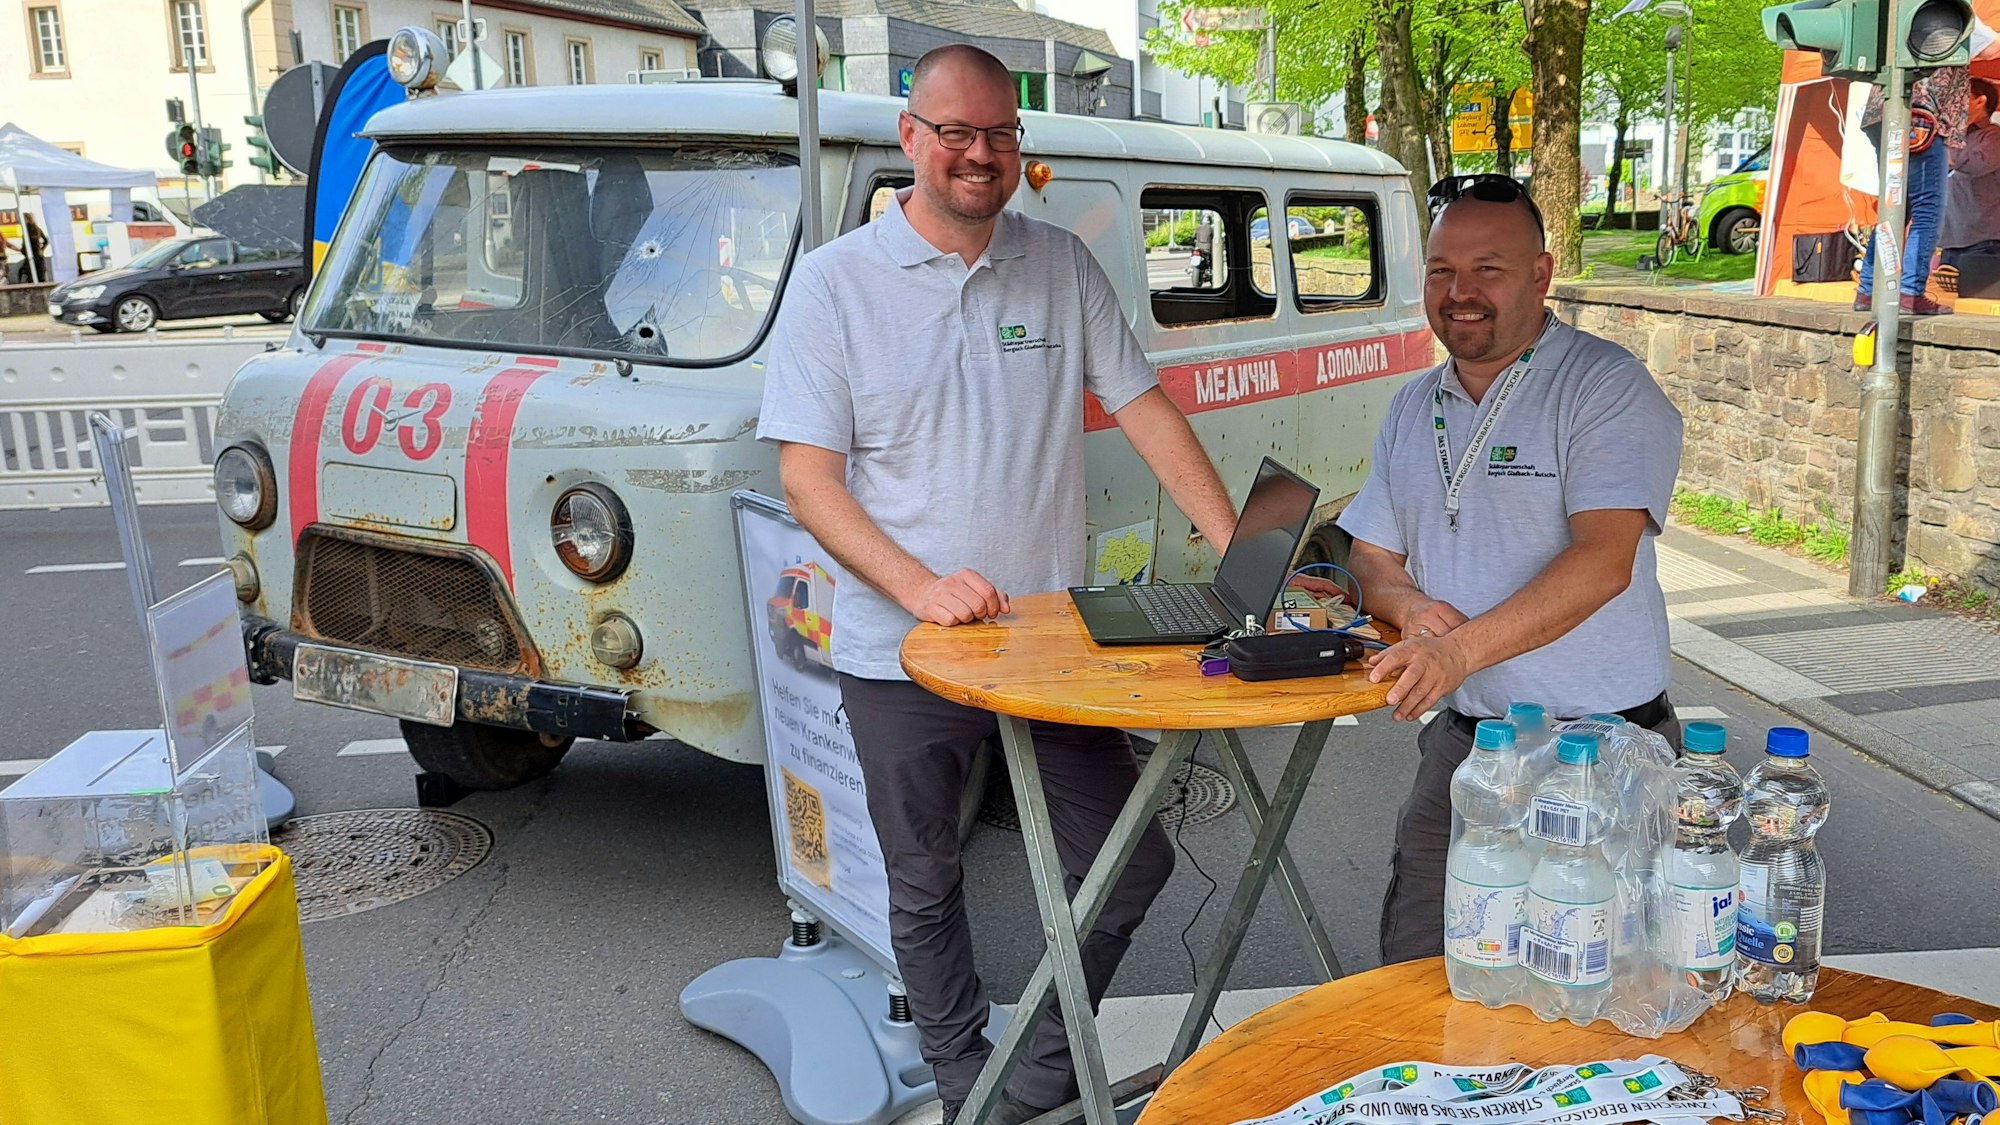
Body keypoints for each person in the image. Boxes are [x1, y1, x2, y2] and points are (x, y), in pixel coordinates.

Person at [758, 44, 1243, 1125]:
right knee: (924, 885)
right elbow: (807, 478)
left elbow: (1145, 408)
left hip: (1047, 646)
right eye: (957, 134)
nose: (979, 154)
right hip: (900, 651)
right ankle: (967, 1083)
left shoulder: (1059, 264)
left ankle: (1041, 1065)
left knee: (1128, 864)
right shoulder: (834, 284)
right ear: (910, 140)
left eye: (999, 134)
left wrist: (1235, 549)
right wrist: (918, 586)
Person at [1336, 173, 1685, 965]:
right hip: (1469, 751)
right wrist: (1408, 605)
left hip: (1601, 755)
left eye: (1488, 268)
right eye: (1440, 271)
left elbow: (1604, 563)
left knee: (1594, 993)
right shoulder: (1413, 403)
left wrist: (1456, 651)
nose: (1460, 292)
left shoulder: (1603, 386)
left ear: (1541, 273)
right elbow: (1371, 556)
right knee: (1423, 972)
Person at [1857, 66, 1966, 315]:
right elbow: (1991, 47)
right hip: (1921, 115)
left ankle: (1868, 290)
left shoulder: (1899, 26)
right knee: (1928, 208)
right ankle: (1910, 292)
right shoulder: (1959, 26)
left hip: (1884, 112)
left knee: (1895, 206)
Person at [1941, 77, 2000, 271]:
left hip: (1983, 240)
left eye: (1960, 96)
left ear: (1980, 101)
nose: (1954, 102)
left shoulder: (1993, 135)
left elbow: (1978, 164)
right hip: (1950, 239)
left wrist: (1941, 150)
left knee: (1975, 298)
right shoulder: (1954, 136)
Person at [20, 213, 50, 284]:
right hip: (37, 253)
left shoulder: (27, 229)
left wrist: (23, 251)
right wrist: (42, 249)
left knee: (32, 276)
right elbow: (46, 241)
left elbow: (25, 244)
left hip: (32, 254)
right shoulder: (37, 228)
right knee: (40, 275)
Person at [1192, 212, 1215, 286]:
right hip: (1208, 248)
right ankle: (1212, 271)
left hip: (1198, 247)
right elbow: (1214, 237)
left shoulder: (1198, 227)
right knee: (1213, 259)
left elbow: (1194, 236)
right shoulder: (1211, 228)